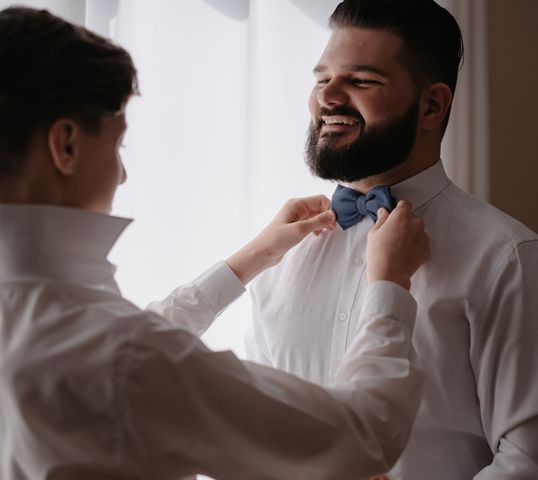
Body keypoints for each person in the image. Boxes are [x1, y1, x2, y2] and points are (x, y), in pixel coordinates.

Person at [0, 7, 431, 480]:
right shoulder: (121, 356)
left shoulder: (71, 334)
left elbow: (127, 352)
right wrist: (389, 287)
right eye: (118, 145)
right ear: (66, 146)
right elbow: (361, 434)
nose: (122, 174)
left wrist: (248, 260)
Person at [247, 0, 538, 478]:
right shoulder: (284, 252)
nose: (328, 97)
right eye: (323, 78)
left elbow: (537, 463)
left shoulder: (509, 259)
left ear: (431, 105)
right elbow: (256, 425)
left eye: (361, 81)